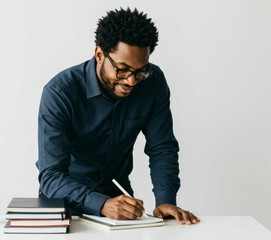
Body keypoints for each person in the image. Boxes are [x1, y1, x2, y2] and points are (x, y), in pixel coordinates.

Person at [36, 8, 200, 225]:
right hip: (64, 207)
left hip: (120, 206)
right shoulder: (60, 93)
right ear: (100, 55)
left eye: (140, 70)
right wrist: (102, 204)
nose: (132, 81)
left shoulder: (153, 82)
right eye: (122, 70)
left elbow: (162, 147)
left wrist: (165, 199)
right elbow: (51, 175)